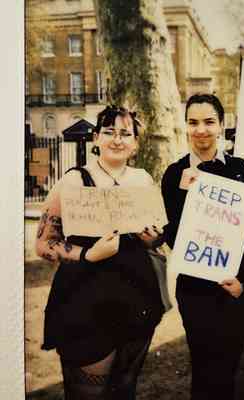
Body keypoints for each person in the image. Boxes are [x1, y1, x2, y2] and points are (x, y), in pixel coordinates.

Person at [36, 106, 167, 400]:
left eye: (125, 134)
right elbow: (44, 243)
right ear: (96, 137)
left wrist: (152, 238)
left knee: (124, 391)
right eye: (109, 132)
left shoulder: (143, 180)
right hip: (85, 304)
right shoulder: (73, 181)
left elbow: (156, 239)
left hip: (137, 299)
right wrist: (87, 255)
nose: (117, 140)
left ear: (135, 142)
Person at [161, 93, 244, 400]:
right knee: (205, 370)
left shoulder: (241, 170)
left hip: (233, 287)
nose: (201, 130)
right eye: (193, 122)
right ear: (186, 126)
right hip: (195, 289)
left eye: (209, 122)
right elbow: (173, 235)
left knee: (229, 369)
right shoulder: (174, 174)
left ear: (221, 125)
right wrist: (184, 194)